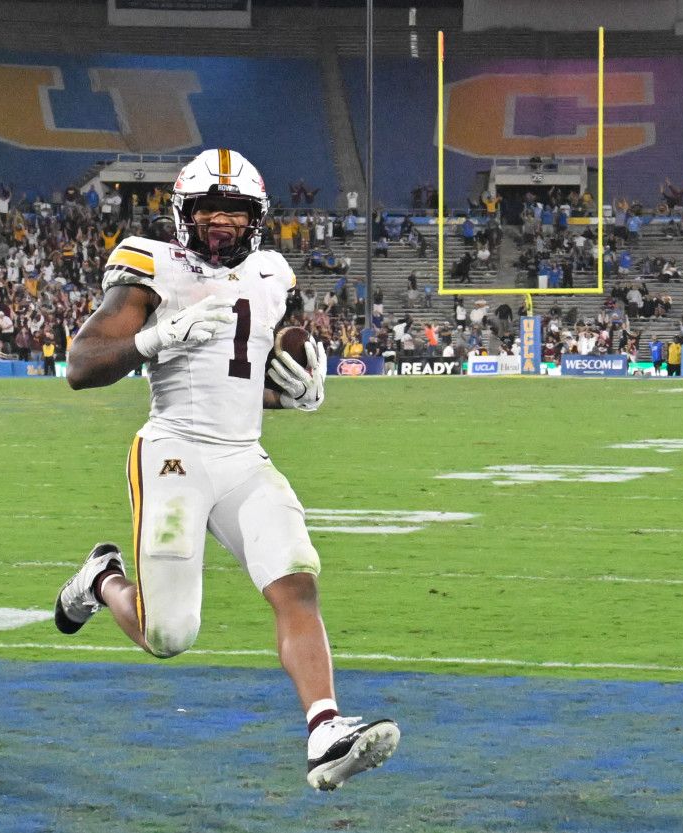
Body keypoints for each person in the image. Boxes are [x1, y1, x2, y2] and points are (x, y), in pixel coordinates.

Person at [54, 149, 399, 791]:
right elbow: (81, 365)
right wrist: (154, 338)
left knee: (294, 577)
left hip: (244, 457)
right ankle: (102, 579)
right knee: (170, 634)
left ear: (257, 220)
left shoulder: (272, 273)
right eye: (209, 211)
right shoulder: (151, 266)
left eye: (235, 213)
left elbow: (242, 377)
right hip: (174, 455)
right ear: (184, 215)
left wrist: (296, 394)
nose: (222, 225)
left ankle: (324, 731)